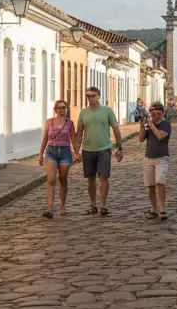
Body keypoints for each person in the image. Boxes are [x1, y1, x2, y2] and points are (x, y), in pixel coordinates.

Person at [75, 86, 124, 216]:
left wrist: (120, 147)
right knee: (90, 178)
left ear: (98, 96)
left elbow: (116, 129)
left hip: (104, 148)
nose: (90, 98)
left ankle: (103, 205)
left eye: (92, 95)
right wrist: (76, 150)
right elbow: (79, 132)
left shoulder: (107, 110)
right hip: (87, 149)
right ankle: (93, 204)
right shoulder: (83, 112)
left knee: (103, 176)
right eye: (88, 96)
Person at [37, 99, 80, 219]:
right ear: (55, 110)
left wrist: (76, 153)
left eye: (64, 108)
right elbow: (45, 139)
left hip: (65, 152)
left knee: (63, 179)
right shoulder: (49, 122)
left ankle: (62, 206)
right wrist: (41, 154)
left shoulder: (70, 123)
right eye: (59, 108)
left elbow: (73, 139)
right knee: (51, 179)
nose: (61, 110)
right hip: (51, 152)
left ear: (66, 109)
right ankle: (50, 208)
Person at [140, 102, 172, 221]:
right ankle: (153, 209)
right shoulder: (149, 125)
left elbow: (160, 136)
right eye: (153, 114)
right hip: (148, 158)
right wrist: (142, 126)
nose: (156, 116)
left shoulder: (166, 124)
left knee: (160, 182)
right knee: (151, 186)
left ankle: (162, 209)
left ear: (162, 113)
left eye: (158, 114)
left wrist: (151, 125)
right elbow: (141, 138)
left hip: (162, 159)